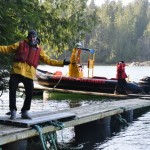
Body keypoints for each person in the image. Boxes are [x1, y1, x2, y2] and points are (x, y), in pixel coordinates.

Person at [0, 30, 70, 120]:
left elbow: (48, 60)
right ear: (28, 37)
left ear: (36, 38)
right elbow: (7, 49)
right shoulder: (20, 44)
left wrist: (62, 63)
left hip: (29, 74)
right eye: (31, 37)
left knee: (29, 92)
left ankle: (25, 111)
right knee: (12, 90)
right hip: (17, 71)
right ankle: (13, 110)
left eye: (34, 37)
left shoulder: (39, 49)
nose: (32, 39)